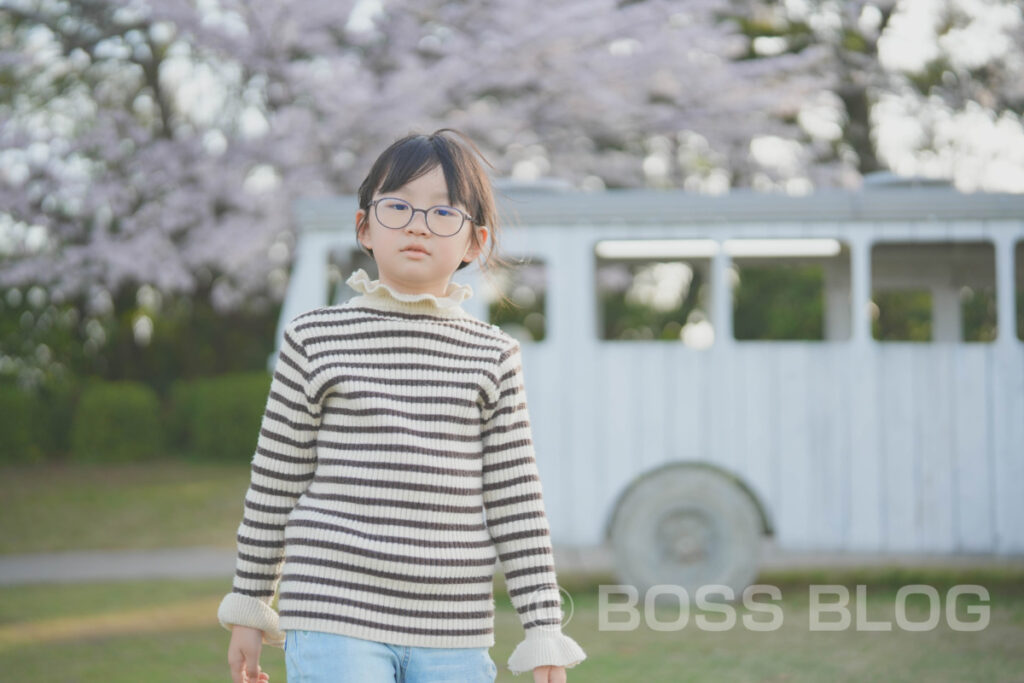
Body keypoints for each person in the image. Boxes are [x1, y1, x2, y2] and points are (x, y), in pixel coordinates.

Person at [217, 128, 587, 683]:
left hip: (453, 627)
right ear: (364, 226)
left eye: (444, 212)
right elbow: (275, 482)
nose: (418, 224)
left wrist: (543, 633)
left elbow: (517, 503)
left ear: (474, 242)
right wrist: (249, 604)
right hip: (333, 607)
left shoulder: (494, 355)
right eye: (398, 206)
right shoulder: (314, 338)